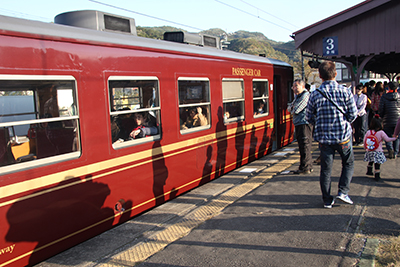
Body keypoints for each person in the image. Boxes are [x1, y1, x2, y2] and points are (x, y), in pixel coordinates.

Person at [306, 61, 358, 209]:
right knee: (348, 163)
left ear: (320, 76)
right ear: (335, 74)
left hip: (324, 139)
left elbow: (309, 117)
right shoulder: (346, 91)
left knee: (326, 170)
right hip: (343, 138)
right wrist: (345, 121)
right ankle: (343, 192)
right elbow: (353, 114)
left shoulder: (315, 94)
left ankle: (327, 200)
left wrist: (320, 121)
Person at [287, 79, 313, 174]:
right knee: (301, 146)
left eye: (296, 86)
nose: (294, 89)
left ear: (302, 86)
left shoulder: (306, 95)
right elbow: (289, 108)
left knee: (305, 145)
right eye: (293, 87)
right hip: (299, 123)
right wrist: (292, 108)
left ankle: (306, 167)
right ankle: (304, 166)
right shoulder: (298, 96)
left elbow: (296, 109)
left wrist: (293, 108)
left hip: (304, 123)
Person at [364, 114, 398, 181]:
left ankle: (369, 171)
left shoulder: (368, 132)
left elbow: (365, 140)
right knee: (377, 164)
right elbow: (387, 139)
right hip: (378, 151)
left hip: (370, 150)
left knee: (371, 161)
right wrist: (394, 138)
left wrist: (366, 148)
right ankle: (377, 175)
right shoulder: (381, 132)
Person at [378, 81, 400, 159]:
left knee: (387, 135)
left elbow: (381, 109)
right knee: (397, 136)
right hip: (398, 119)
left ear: (389, 88)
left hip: (387, 119)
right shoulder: (399, 96)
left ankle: (390, 149)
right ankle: (395, 152)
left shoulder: (384, 97)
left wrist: (381, 116)